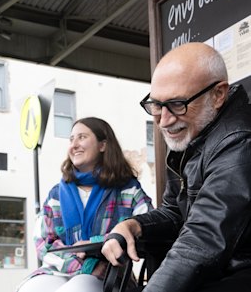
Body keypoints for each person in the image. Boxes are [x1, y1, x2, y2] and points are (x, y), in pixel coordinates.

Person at [101, 42, 251, 291]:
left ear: (218, 95)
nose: (164, 120)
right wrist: (133, 225)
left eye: (178, 103)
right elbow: (175, 212)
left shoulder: (239, 141)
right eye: (156, 105)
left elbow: (202, 241)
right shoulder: (193, 134)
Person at [17, 117, 153, 292]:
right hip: (59, 271)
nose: (74, 145)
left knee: (78, 289)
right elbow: (43, 243)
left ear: (103, 145)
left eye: (81, 137)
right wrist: (82, 266)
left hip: (109, 273)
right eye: (71, 139)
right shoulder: (57, 194)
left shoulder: (128, 190)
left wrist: (97, 243)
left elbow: (148, 228)